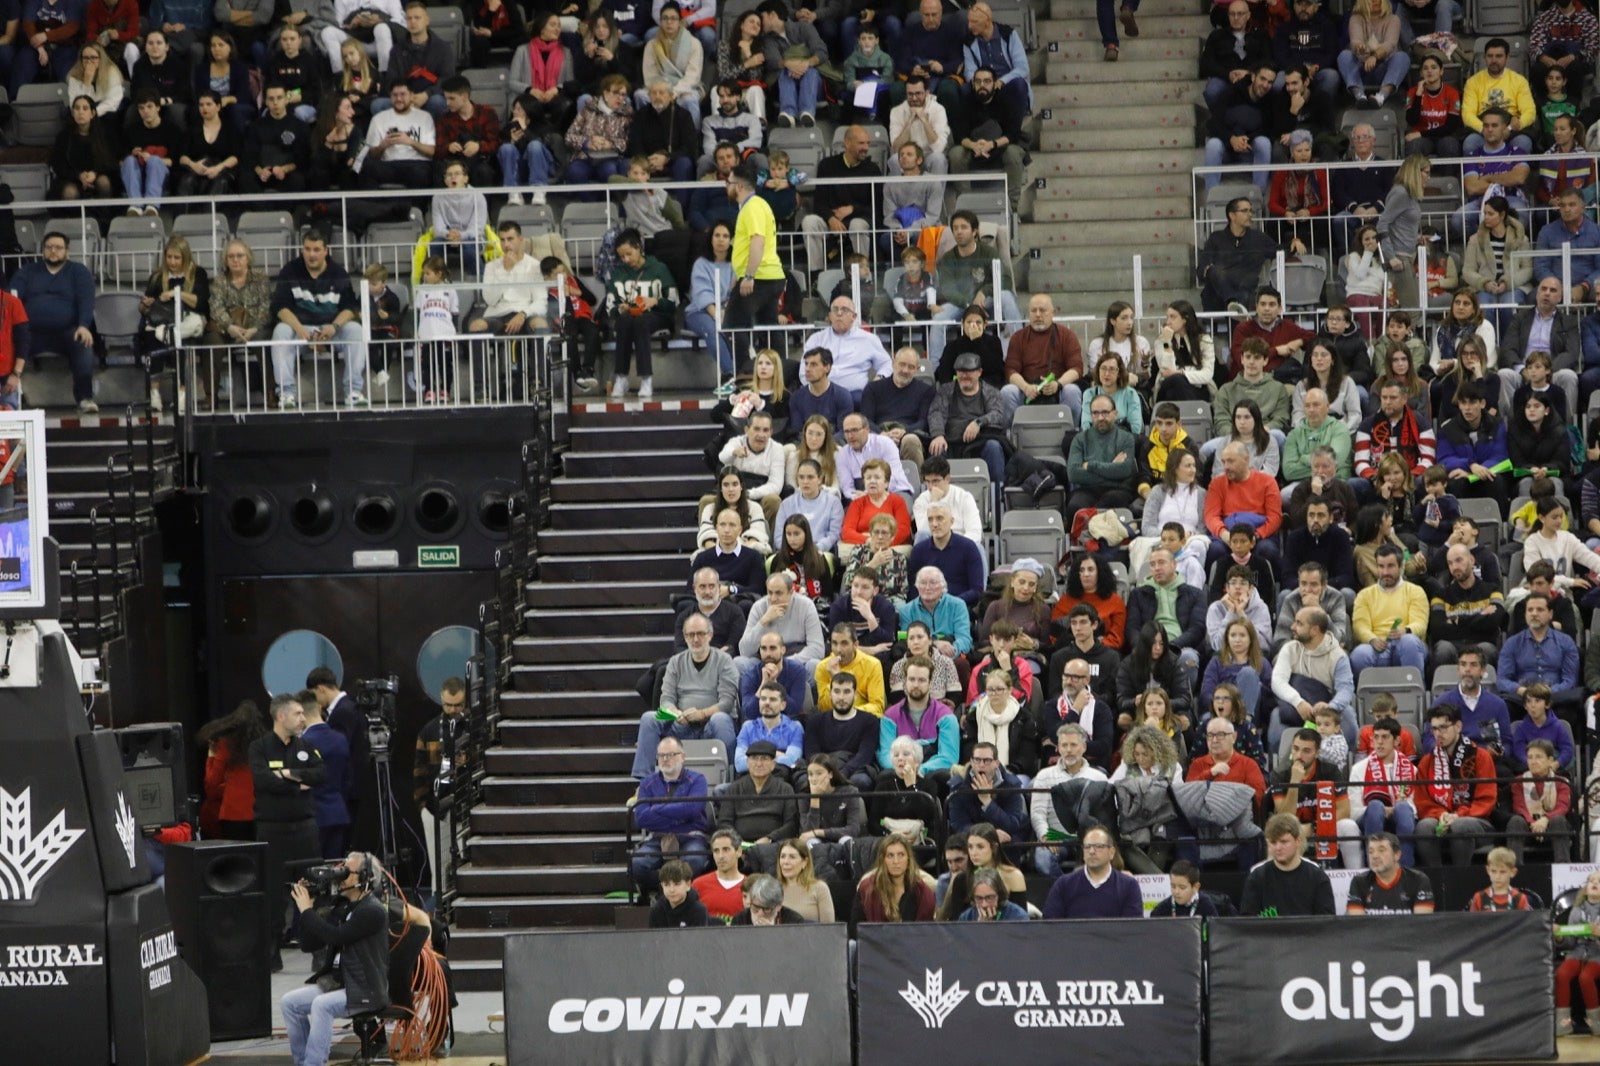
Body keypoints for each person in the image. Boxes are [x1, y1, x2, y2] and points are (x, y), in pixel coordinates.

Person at [281, 852, 389, 1066]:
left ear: (365, 877)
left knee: (322, 1005)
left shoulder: (372, 910)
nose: (341, 875)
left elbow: (336, 936)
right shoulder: (343, 907)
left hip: (365, 989)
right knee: (289, 1003)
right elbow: (310, 944)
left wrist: (307, 912)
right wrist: (308, 905)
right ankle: (303, 1062)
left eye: (347, 871)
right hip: (339, 984)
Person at [248, 694, 326, 971]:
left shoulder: (306, 746)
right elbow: (262, 780)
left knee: (312, 887)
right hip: (273, 830)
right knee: (273, 892)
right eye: (297, 714)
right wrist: (298, 781)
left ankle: (319, 951)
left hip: (305, 828)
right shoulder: (259, 748)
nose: (303, 718)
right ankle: (271, 952)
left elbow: (321, 774)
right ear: (281, 717)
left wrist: (287, 775)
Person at [631, 615, 738, 778]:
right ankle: (644, 782)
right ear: (685, 636)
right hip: (681, 724)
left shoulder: (724, 661)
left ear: (710, 635)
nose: (696, 639)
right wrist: (676, 713)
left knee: (721, 719)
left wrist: (702, 714)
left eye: (701, 634)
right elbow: (666, 700)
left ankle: (731, 780)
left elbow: (727, 702)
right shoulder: (675, 662)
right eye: (691, 634)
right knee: (649, 718)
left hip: (710, 724)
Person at [267, 228, 363, 409]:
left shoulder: (338, 272)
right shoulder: (290, 270)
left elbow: (350, 308)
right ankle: (286, 393)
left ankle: (353, 391)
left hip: (330, 329)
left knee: (356, 330)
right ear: (302, 249)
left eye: (317, 249)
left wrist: (334, 327)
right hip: (300, 329)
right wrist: (301, 330)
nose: (311, 254)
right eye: (307, 249)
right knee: (281, 331)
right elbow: (280, 307)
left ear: (326, 250)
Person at [1414, 704, 1498, 865]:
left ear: (1458, 726)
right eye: (1434, 729)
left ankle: (1460, 881)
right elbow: (1422, 801)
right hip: (1441, 820)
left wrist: (1458, 815)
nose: (1438, 734)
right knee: (1424, 827)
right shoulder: (1427, 761)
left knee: (1460, 825)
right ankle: (1437, 883)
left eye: (1443, 728)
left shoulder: (1480, 756)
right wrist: (1440, 814)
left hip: (1476, 822)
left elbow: (1486, 800)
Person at [632, 738, 712, 896]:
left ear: (683, 756)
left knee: (695, 861)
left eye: (670, 755)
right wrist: (679, 813)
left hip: (691, 837)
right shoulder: (647, 783)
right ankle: (667, 892)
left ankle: (675, 895)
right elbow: (641, 818)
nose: (665, 759)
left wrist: (656, 809)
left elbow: (693, 810)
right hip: (657, 838)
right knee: (637, 864)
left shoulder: (697, 780)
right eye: (661, 755)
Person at [603, 228, 677, 400]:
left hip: (658, 315)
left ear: (639, 248)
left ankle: (646, 378)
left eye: (629, 254)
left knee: (640, 321)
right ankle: (621, 377)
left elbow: (673, 302)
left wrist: (655, 301)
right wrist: (619, 309)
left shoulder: (659, 268)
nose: (626, 259)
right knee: (625, 320)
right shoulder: (619, 274)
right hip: (629, 317)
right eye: (622, 257)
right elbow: (610, 306)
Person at [1272, 727, 1361, 868]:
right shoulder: (1280, 774)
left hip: (1323, 825)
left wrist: (1314, 826)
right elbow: (1284, 817)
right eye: (1295, 749)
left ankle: (1356, 877)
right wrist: (1294, 782)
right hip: (1294, 829)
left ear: (1317, 753)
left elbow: (1344, 811)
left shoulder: (1330, 771)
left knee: (1349, 826)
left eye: (1306, 751)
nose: (1299, 755)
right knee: (1283, 834)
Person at [1270, 605, 1356, 749]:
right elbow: (1277, 681)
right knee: (1276, 721)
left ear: (1314, 630)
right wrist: (1298, 702)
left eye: (1299, 623)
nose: (1292, 626)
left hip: (1327, 705)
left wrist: (1330, 707)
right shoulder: (1290, 648)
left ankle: (1346, 767)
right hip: (1294, 705)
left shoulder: (1338, 656)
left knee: (1349, 722)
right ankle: (1278, 769)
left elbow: (1346, 689)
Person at [1030, 722, 1109, 875]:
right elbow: (1038, 813)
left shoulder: (1099, 777)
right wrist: (1045, 836)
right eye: (1064, 745)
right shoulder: (1044, 776)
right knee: (1043, 859)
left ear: (1084, 747)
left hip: (1090, 836)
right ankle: (1068, 890)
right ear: (1058, 748)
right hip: (1055, 834)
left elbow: (1105, 815)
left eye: (1073, 745)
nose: (1068, 750)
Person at [412, 676, 466, 888]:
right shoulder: (429, 730)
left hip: (466, 805)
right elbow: (419, 771)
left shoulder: (473, 728)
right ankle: (439, 915)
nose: (452, 710)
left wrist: (468, 760)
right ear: (441, 700)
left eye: (458, 705)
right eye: (448, 705)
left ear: (465, 702)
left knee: (468, 864)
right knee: (439, 871)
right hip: (436, 808)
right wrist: (422, 807)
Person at [1498, 590, 1583, 721]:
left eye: (1540, 609)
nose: (1534, 614)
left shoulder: (1566, 642)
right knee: (1504, 707)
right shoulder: (1512, 643)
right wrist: (1522, 691)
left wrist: (1547, 692)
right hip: (1521, 699)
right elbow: (1502, 680)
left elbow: (1570, 680)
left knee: (1568, 712)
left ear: (1550, 614)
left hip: (1555, 699)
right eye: (1530, 610)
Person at [1239, 812, 1336, 916]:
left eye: (1284, 842)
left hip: (1307, 932)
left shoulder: (1317, 876)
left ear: (1297, 841)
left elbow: (1326, 923)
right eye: (1273, 842)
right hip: (1268, 932)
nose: (1278, 848)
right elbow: (1248, 923)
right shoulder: (1257, 877)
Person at [1203, 61, 1276, 191]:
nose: (1265, 85)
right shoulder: (1232, 92)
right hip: (1226, 147)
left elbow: (1270, 129)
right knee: (1213, 145)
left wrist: (1247, 139)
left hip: (1249, 149)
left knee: (1264, 142)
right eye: (1262, 79)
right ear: (1253, 77)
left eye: (1270, 82)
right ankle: (1212, 197)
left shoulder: (1271, 100)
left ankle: (1259, 194)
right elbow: (1213, 123)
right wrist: (1232, 139)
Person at [1041, 825, 1142, 918]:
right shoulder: (1063, 885)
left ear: (1111, 852)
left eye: (1098, 846)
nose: (1092, 851)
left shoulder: (1129, 886)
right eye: (1087, 847)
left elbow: (1132, 930)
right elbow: (1050, 926)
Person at [803, 678, 880, 790]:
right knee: (804, 780)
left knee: (861, 781)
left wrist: (841, 774)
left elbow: (865, 754)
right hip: (822, 768)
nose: (841, 697)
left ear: (855, 694)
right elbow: (811, 752)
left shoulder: (869, 721)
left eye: (847, 692)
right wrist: (825, 772)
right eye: (837, 691)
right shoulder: (815, 721)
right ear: (830, 694)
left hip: (856, 769)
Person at [1506, 736, 1572, 863]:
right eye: (1530, 757)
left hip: (1552, 826)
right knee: (1515, 821)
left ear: (1550, 760)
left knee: (1559, 820)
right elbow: (1519, 807)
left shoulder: (1562, 782)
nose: (1533, 761)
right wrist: (1533, 823)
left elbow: (1562, 807)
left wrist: (1545, 819)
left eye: (1538, 757)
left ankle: (1563, 868)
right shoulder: (1519, 781)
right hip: (1528, 826)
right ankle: (1514, 871)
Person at [1345, 832, 1435, 914]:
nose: (1374, 856)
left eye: (1381, 850)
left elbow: (1422, 925)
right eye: (1370, 852)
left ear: (1397, 855)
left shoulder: (1418, 880)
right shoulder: (1359, 881)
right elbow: (1357, 925)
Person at [853, 832, 935, 922]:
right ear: (883, 860)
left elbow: (927, 931)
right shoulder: (867, 889)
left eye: (901, 855)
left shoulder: (922, 892)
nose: (896, 861)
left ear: (908, 858)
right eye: (890, 855)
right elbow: (856, 929)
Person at [1556, 870, 1600, 1034]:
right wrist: (1560, 937)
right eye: (1591, 881)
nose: (1594, 883)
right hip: (1577, 952)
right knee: (1561, 974)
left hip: (1598, 953)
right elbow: (1570, 943)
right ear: (1586, 888)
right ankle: (1563, 1023)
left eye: (1599, 882)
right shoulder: (1575, 911)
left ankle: (1596, 1022)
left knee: (1586, 977)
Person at [776, 839, 835, 922]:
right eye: (782, 856)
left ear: (805, 862)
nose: (785, 862)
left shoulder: (820, 888)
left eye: (792, 857)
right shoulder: (773, 889)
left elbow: (829, 929)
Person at [1467, 847, 1534, 910]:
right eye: (1493, 871)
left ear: (1513, 872)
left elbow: (1527, 922)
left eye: (1502, 872)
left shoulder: (1520, 898)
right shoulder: (1479, 898)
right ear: (1488, 870)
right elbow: (1472, 922)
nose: (1497, 876)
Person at [650, 859, 711, 926]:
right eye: (667, 885)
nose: (672, 890)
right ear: (662, 886)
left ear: (688, 884)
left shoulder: (699, 911)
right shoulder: (656, 910)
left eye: (677, 884)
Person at [1150, 861, 1220, 918]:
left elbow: (1216, 931)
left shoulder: (1205, 904)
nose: (1176, 892)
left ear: (1196, 887)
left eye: (1182, 887)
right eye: (1173, 886)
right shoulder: (1162, 909)